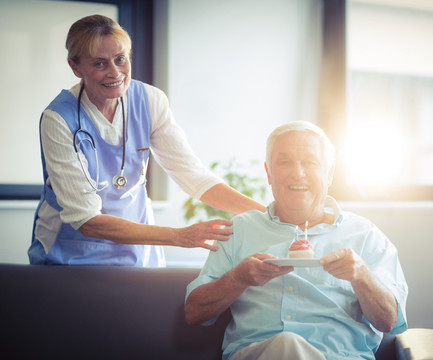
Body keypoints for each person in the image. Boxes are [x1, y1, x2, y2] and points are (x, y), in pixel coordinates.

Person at [28, 15, 265, 266]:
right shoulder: (58, 119)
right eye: (99, 63)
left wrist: (268, 215)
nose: (115, 72)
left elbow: (193, 176)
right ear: (76, 68)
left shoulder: (150, 100)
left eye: (121, 59)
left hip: (138, 248)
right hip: (71, 252)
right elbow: (86, 220)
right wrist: (179, 236)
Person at [185, 121, 408, 360]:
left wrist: (361, 275)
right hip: (258, 355)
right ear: (269, 173)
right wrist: (238, 278)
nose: (297, 173)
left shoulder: (365, 235)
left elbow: (388, 321)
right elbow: (194, 312)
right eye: (284, 162)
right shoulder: (238, 230)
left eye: (310, 162)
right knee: (287, 345)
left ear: (330, 173)